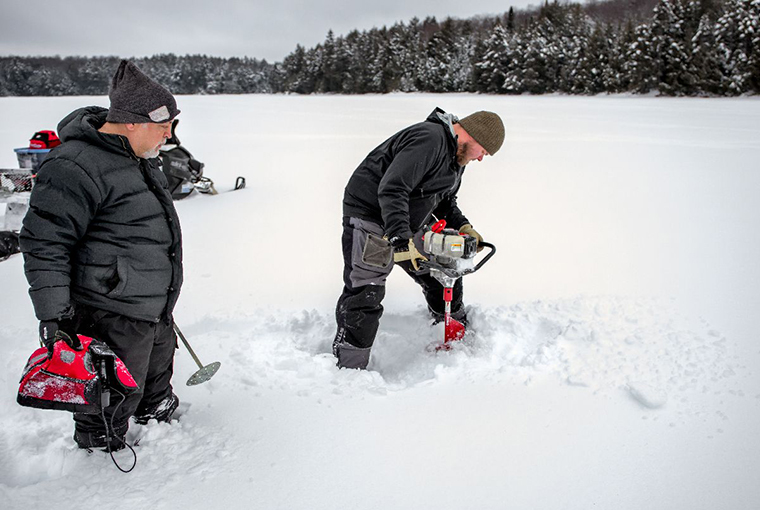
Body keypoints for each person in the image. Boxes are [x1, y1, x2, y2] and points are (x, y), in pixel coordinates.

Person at [19, 60, 183, 450]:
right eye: (163, 127)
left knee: (155, 376)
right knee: (111, 393)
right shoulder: (73, 165)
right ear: (131, 122)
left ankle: (157, 414)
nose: (169, 135)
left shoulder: (138, 157)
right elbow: (44, 242)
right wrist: (54, 314)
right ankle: (99, 451)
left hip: (153, 305)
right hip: (109, 308)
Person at [333, 107, 505, 369]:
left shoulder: (457, 158)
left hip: (405, 218)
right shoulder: (430, 139)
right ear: (474, 136)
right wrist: (401, 237)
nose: (481, 159)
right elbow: (393, 188)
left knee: (441, 271)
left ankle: (453, 336)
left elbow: (444, 201)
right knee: (367, 290)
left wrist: (465, 227)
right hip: (370, 215)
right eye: (484, 152)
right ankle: (349, 368)